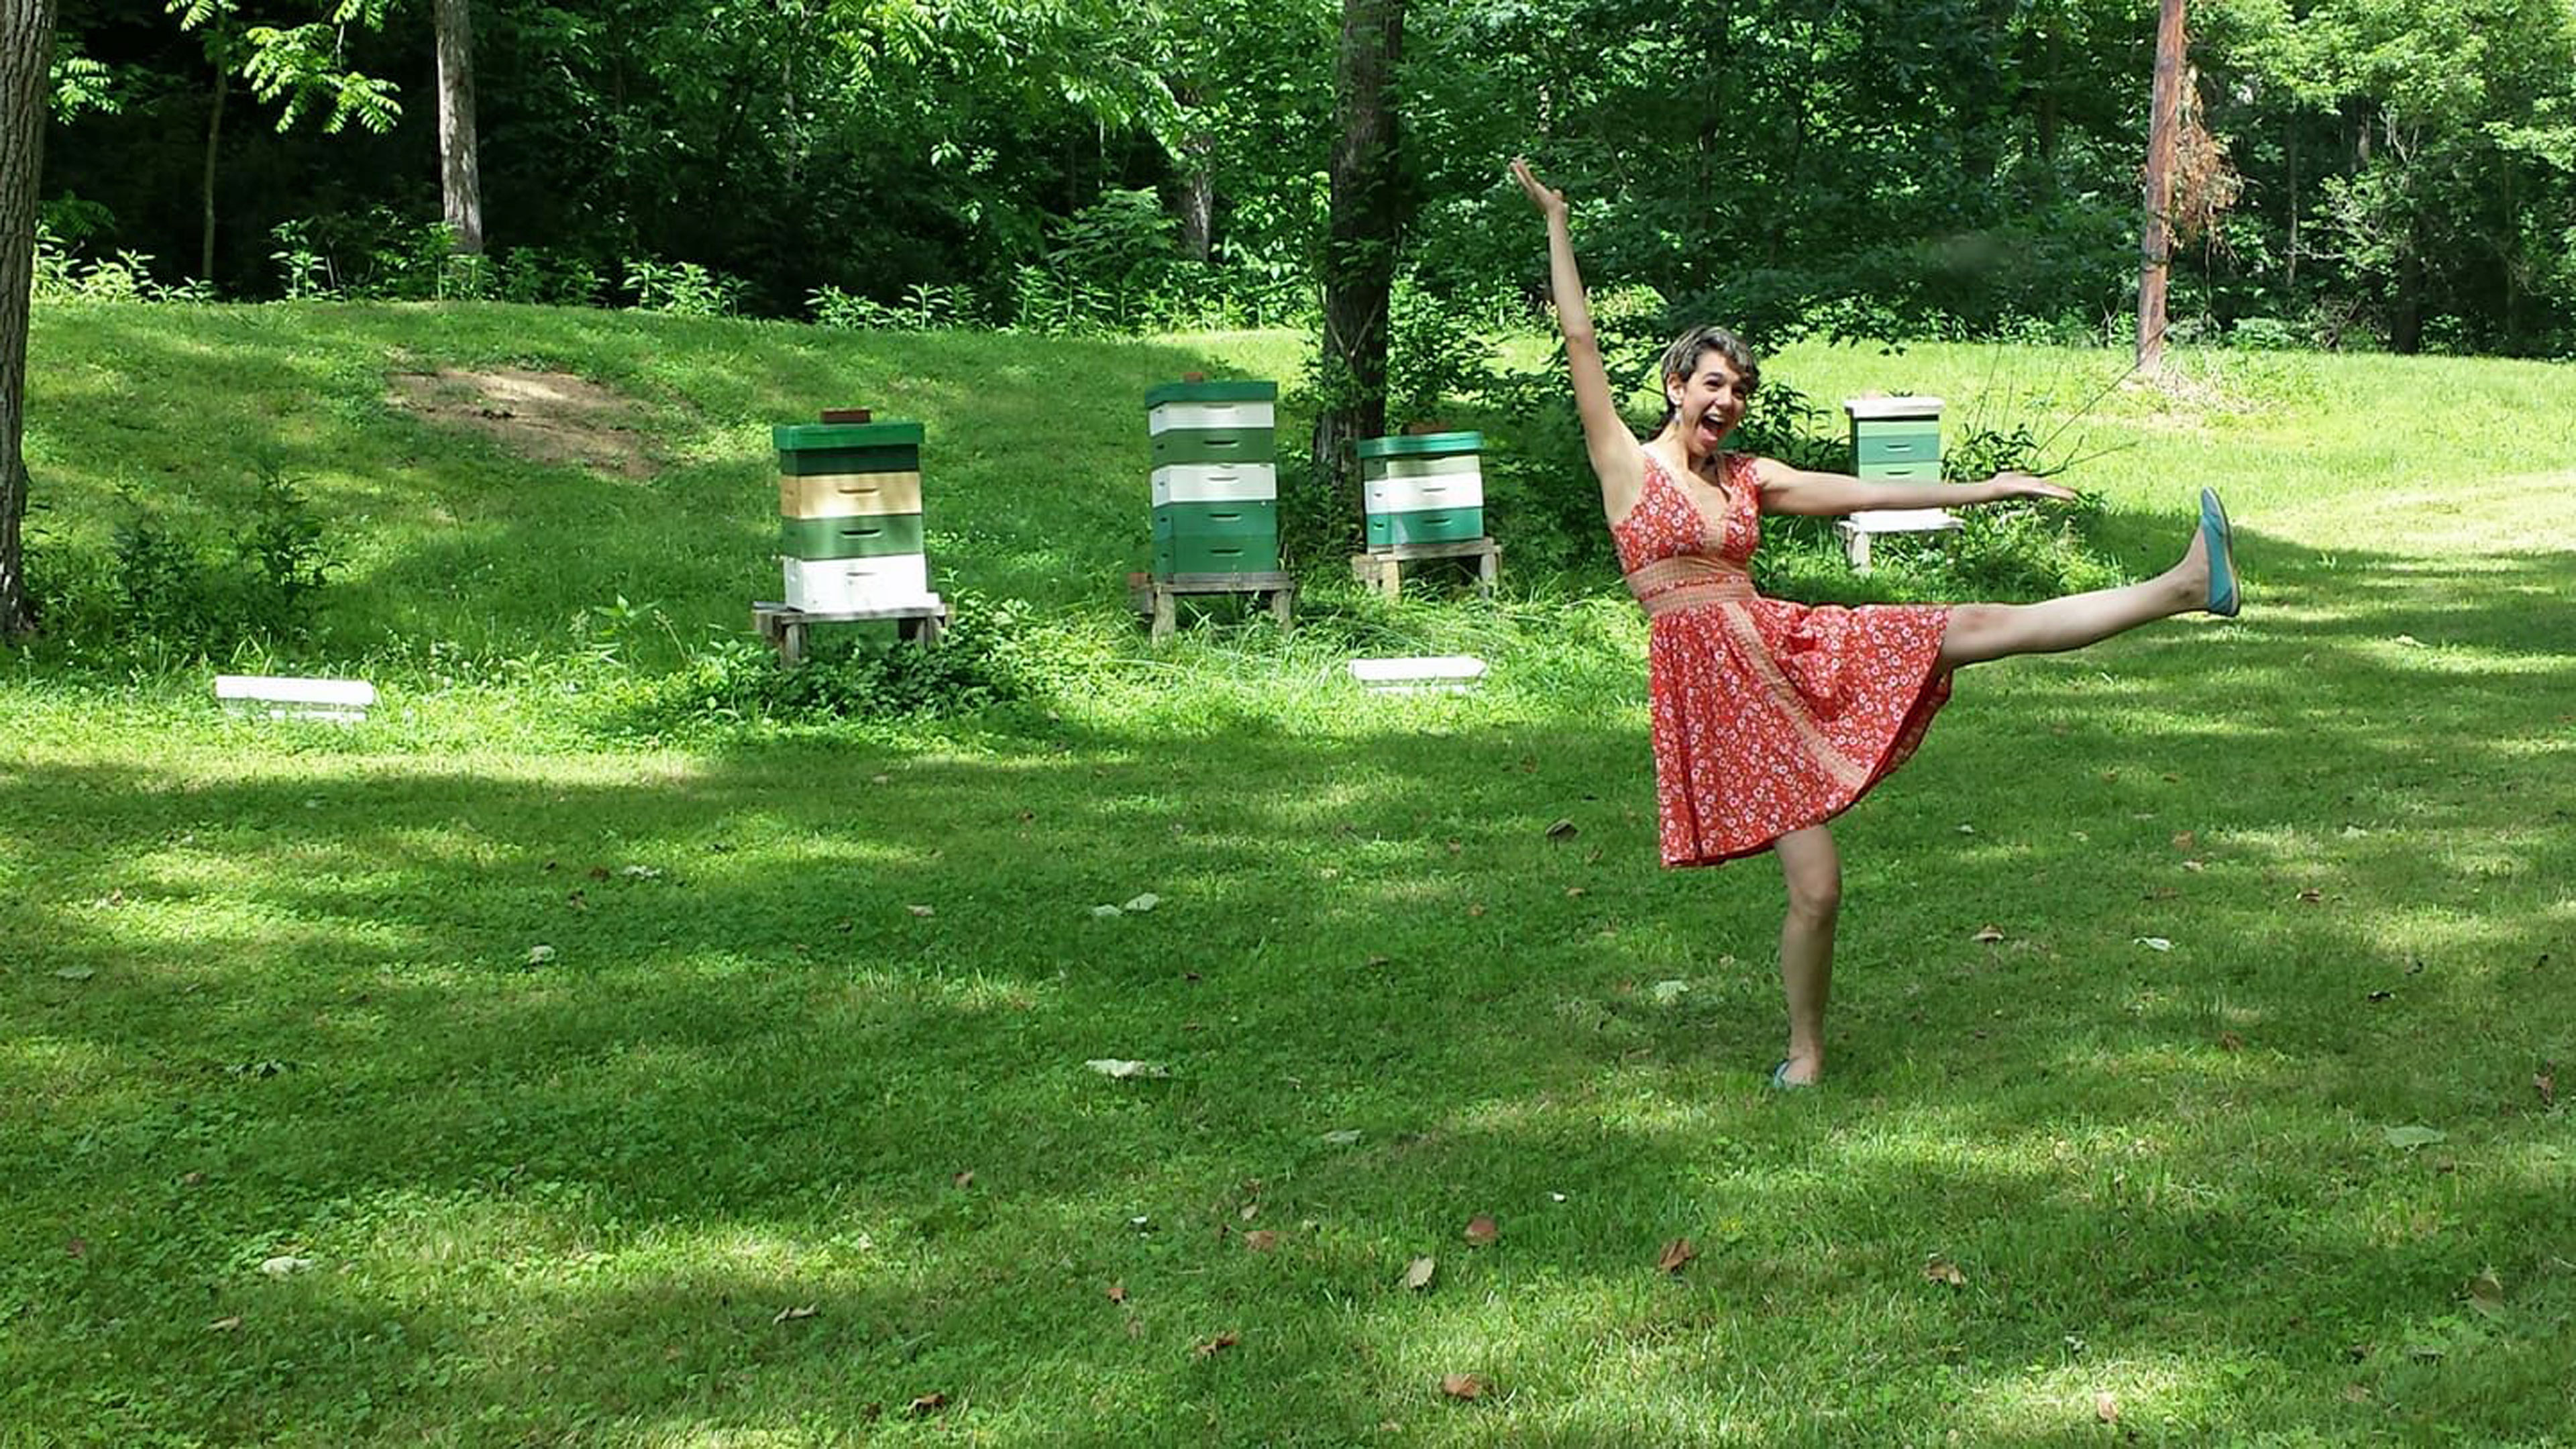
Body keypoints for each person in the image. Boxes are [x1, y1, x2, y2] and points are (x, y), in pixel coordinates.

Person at [1509, 158, 2241, 1089]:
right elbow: (1577, 338)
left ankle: (2182, 586)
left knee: (1972, 624)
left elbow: (1870, 490)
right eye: (1713, 385)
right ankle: (1805, 1057)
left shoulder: (1749, 478)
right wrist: (1559, 222)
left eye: (1739, 390)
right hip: (1719, 700)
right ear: (1675, 385)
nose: (1726, 403)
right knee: (1817, 889)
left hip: (1784, 655)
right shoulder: (1624, 465)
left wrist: (1985, 487)